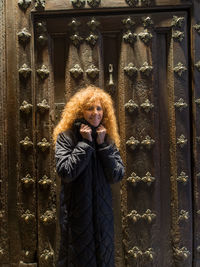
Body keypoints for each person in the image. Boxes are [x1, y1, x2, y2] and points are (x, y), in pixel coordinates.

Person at [53, 85, 125, 267]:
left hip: (103, 216)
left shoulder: (106, 139)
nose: (95, 113)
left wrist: (102, 146)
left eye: (99, 108)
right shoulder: (67, 137)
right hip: (78, 215)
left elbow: (117, 174)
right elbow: (66, 172)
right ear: (80, 112)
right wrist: (85, 144)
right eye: (90, 108)